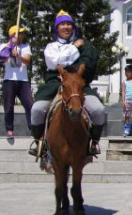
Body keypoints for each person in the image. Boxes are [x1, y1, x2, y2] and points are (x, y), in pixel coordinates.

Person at [28, 11, 106, 157]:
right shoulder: (51, 47)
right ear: (57, 28)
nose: (66, 27)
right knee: (37, 109)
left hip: (77, 85)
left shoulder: (86, 45)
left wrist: (67, 62)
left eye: (69, 24)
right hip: (54, 84)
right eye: (62, 24)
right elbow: (52, 63)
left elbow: (87, 65)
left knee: (98, 110)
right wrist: (74, 48)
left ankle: (94, 141)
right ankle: (38, 141)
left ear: (73, 28)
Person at [1, 25, 33, 142]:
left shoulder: (25, 47)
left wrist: (18, 56)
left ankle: (33, 129)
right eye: (19, 33)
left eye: (22, 33)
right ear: (13, 35)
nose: (22, 35)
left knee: (30, 105)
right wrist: (10, 49)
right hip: (9, 80)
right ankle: (9, 129)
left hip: (23, 81)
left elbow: (27, 61)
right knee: (8, 106)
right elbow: (2, 58)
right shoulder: (4, 46)